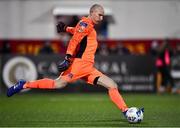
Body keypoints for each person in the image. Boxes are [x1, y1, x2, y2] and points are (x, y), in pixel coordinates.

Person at [7, 4, 143, 120]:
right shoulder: (86, 23)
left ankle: (126, 111)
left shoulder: (87, 26)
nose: (101, 18)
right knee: (58, 84)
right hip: (79, 64)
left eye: (103, 16)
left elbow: (77, 32)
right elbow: (75, 40)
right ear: (92, 13)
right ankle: (24, 84)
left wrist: (66, 29)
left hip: (88, 67)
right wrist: (67, 58)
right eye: (99, 15)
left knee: (112, 85)